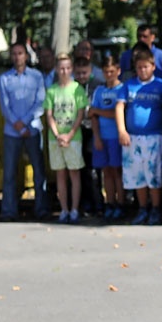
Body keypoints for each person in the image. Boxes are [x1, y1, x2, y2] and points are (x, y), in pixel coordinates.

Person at [115, 49, 162, 225]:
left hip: (154, 136)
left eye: (146, 67)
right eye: (139, 67)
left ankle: (155, 209)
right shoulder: (128, 86)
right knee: (137, 175)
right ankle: (142, 208)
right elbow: (119, 107)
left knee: (153, 174)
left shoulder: (161, 86)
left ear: (153, 66)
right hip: (133, 138)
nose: (143, 70)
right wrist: (122, 131)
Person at [0, 41, 49, 221]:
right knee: (10, 173)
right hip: (11, 132)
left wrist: (25, 123)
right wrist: (17, 125)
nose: (17, 57)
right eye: (14, 53)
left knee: (38, 171)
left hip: (32, 129)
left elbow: (40, 103)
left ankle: (41, 208)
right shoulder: (4, 78)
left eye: (20, 53)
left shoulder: (37, 76)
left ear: (26, 56)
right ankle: (9, 210)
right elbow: (5, 106)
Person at [44, 53, 88, 224]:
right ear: (56, 69)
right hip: (55, 138)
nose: (65, 71)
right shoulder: (52, 90)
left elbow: (80, 113)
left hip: (73, 138)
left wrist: (69, 134)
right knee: (60, 174)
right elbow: (49, 115)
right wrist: (57, 135)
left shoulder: (77, 89)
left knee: (74, 173)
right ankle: (64, 209)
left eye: (68, 68)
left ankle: (75, 209)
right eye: (61, 68)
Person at [90, 55, 125, 221]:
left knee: (118, 172)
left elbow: (116, 114)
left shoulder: (122, 90)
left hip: (117, 137)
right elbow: (92, 115)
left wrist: (99, 111)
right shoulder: (99, 91)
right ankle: (109, 203)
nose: (109, 75)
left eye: (112, 71)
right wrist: (96, 137)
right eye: (106, 72)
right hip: (102, 137)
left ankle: (121, 203)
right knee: (107, 173)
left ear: (118, 71)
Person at [74, 56, 104, 216]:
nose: (81, 76)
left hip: (93, 128)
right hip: (78, 129)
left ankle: (98, 202)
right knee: (81, 168)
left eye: (84, 73)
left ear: (90, 71)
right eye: (78, 73)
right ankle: (84, 203)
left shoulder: (97, 85)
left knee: (94, 169)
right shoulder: (73, 86)